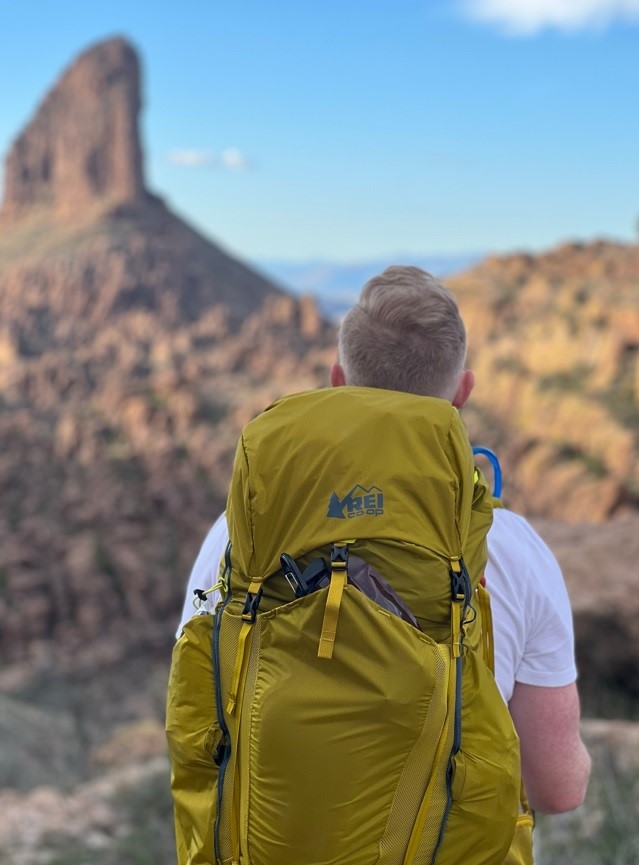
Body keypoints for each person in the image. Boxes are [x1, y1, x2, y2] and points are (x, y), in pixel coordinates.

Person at [177, 265, 590, 815]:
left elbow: (198, 725)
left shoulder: (241, 535)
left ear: (338, 384)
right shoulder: (515, 549)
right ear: (461, 394)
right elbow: (558, 790)